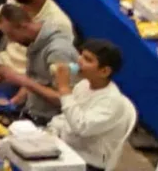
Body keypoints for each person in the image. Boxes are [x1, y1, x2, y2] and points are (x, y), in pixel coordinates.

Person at [48, 39, 135, 169]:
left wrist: (64, 89)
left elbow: (82, 127)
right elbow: (66, 117)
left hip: (88, 162)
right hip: (66, 149)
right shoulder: (83, 85)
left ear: (104, 71)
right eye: (81, 56)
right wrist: (51, 131)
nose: (79, 61)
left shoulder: (112, 101)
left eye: (88, 60)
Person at [0, 0, 77, 120]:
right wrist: (13, 103)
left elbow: (63, 100)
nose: (11, 40)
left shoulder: (58, 52)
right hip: (29, 111)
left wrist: (21, 80)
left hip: (48, 122)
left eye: (11, 35)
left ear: (23, 26)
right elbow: (37, 79)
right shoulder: (35, 40)